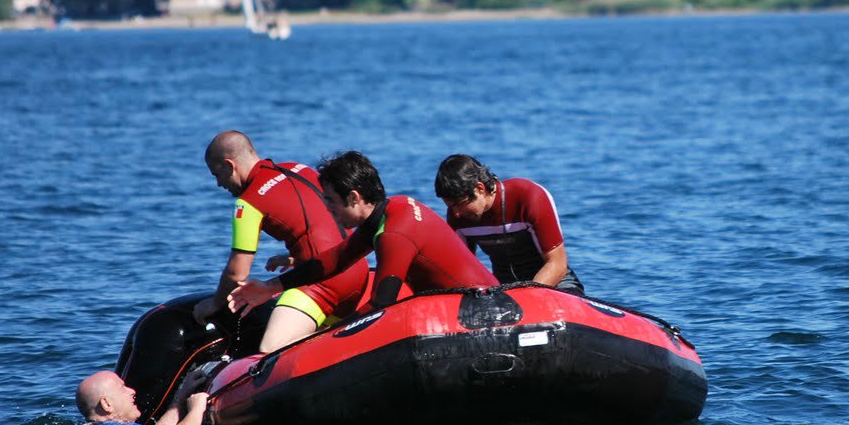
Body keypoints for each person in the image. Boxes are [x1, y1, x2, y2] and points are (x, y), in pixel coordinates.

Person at [230, 150, 497, 317]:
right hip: (466, 307)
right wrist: (269, 287)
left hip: (483, 311)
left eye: (331, 201)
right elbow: (333, 261)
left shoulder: (393, 232)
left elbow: (383, 303)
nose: (328, 209)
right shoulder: (392, 209)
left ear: (354, 197)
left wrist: (330, 341)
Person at [197, 130, 369, 354]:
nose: (219, 184)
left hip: (323, 283)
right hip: (358, 272)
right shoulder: (300, 169)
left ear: (230, 166)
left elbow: (236, 273)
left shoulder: (247, 203)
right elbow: (325, 223)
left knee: (272, 349)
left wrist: (214, 304)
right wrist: (297, 258)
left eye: (216, 175)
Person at [435, 154, 583, 293]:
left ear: (480, 188)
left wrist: (526, 299)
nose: (456, 213)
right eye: (450, 206)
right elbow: (460, 270)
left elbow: (557, 264)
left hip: (557, 286)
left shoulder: (529, 197)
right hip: (505, 292)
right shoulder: (457, 217)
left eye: (459, 204)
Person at [75, 369, 208, 425]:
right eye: (123, 388)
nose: (131, 391)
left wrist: (181, 396)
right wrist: (196, 408)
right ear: (106, 404)